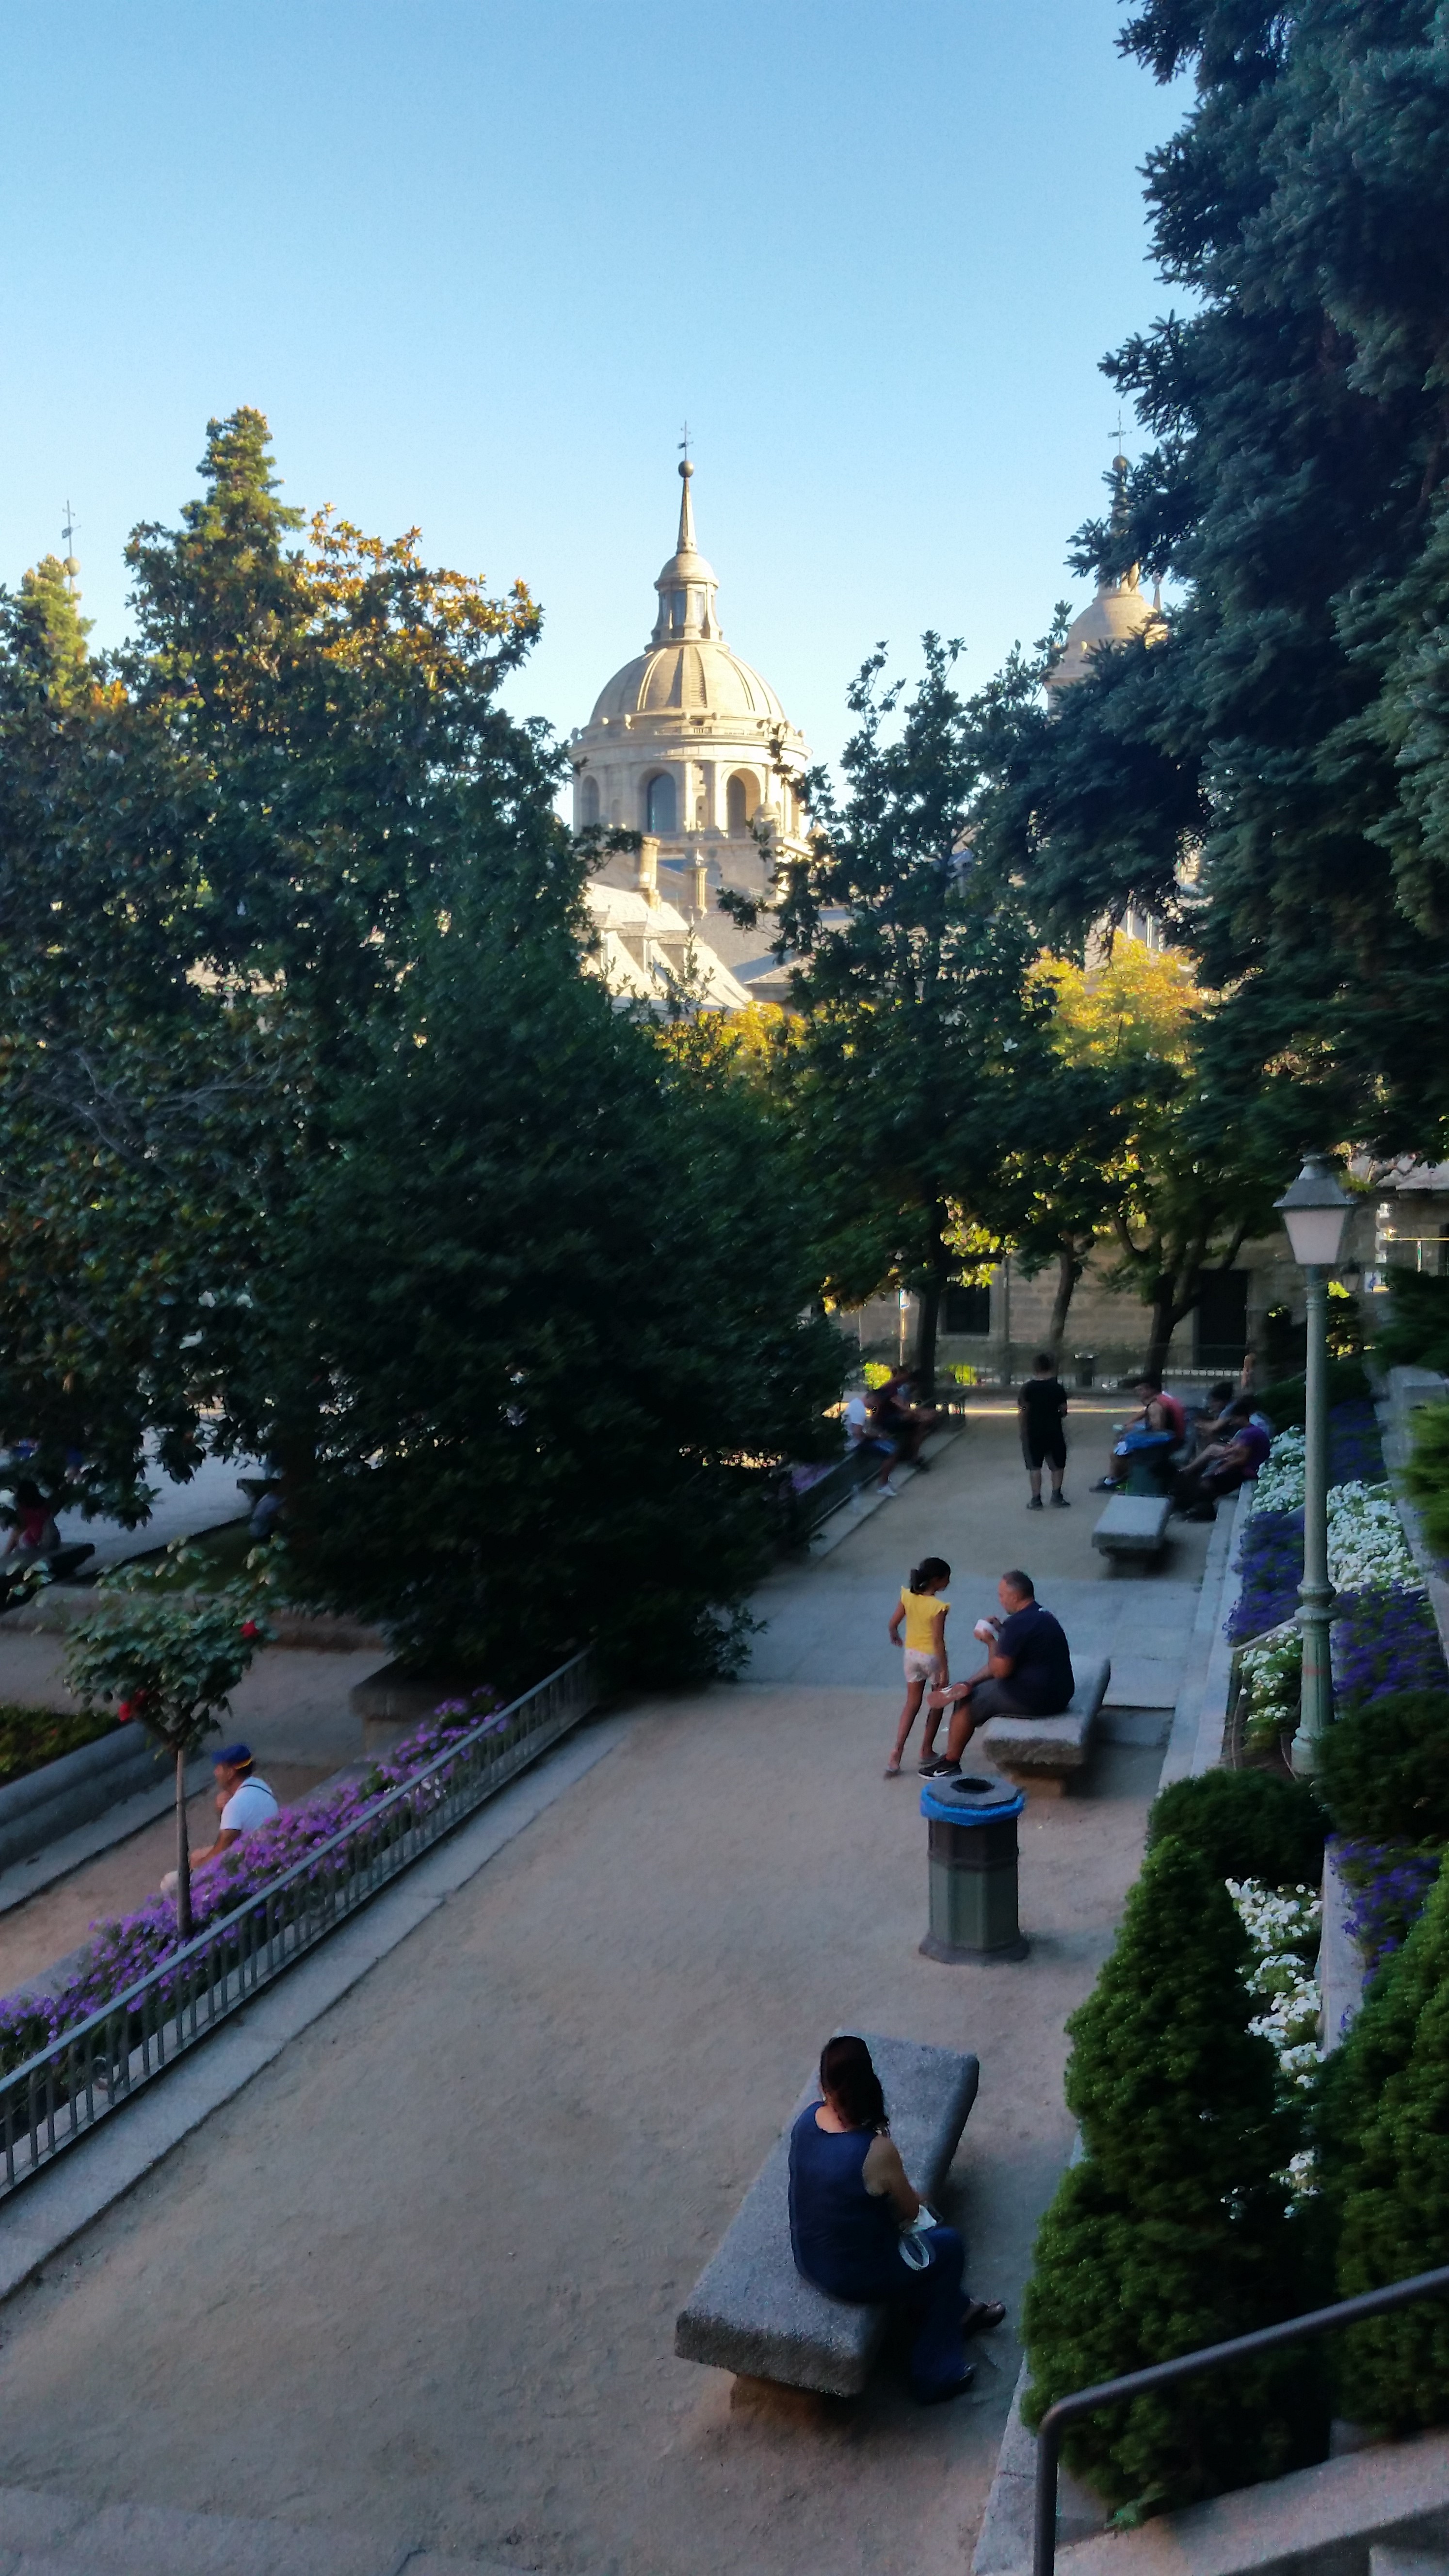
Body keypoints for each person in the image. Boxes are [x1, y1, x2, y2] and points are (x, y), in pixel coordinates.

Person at [788, 2033, 1005, 2406]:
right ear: (869, 2085)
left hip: (809, 2257)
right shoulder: (876, 2150)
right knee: (948, 2247)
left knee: (923, 2253)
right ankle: (934, 2372)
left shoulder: (807, 2120)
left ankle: (959, 2309)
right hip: (853, 2276)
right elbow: (912, 2211)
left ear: (824, 2086)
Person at [927, 1570, 1074, 1770]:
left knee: (968, 1701)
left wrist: (990, 1642)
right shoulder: (1042, 1615)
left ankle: (950, 1763)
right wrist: (1002, 1630)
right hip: (1061, 1692)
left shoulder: (1017, 1624)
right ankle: (968, 1684)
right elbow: (1019, 1644)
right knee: (977, 1685)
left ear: (1015, 1597)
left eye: (1002, 1595)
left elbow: (1000, 1672)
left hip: (1039, 1700)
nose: (1000, 1600)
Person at [160, 1744, 279, 1896]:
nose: (215, 1772)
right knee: (197, 1855)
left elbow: (220, 1853)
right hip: (265, 1847)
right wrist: (222, 1811)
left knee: (169, 1882)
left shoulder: (235, 1806)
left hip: (253, 1866)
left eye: (219, 1768)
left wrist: (197, 1866)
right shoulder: (260, 1785)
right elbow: (234, 1831)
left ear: (230, 1773)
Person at [886, 1558, 951, 1778]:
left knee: (912, 1703)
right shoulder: (938, 1607)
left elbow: (893, 1623)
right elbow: (938, 1641)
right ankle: (926, 1749)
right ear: (937, 1580)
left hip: (911, 1655)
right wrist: (944, 1670)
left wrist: (894, 1634)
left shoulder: (907, 1596)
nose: (949, 1582)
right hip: (931, 1658)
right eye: (947, 1578)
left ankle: (897, 1752)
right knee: (938, 1702)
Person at [1173, 1398, 1271, 1518]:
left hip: (1248, 1471)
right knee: (1208, 1477)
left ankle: (1204, 1510)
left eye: (1234, 1419)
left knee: (1207, 1484)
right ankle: (1199, 1506)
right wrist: (1220, 1457)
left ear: (1242, 1417)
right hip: (1245, 1467)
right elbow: (1236, 1449)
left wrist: (1224, 1467)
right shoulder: (1249, 1431)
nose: (1232, 1423)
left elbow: (1242, 1459)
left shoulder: (1251, 1433)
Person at [1092, 1375, 1186, 1491]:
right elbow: (1145, 1414)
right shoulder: (1162, 1400)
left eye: (1140, 1390)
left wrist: (1135, 1430)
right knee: (1124, 1444)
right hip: (1177, 1439)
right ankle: (1120, 1477)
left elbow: (1158, 1432)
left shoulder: (1156, 1407)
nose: (1138, 1394)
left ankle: (1113, 1481)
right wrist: (1127, 1426)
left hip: (1169, 1445)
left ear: (1150, 1390)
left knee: (1117, 1453)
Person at [1017, 1352, 1069, 1509]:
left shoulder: (1028, 1388)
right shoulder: (1057, 1388)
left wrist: (1023, 1430)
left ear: (1035, 1368)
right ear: (1051, 1367)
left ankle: (1036, 1499)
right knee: (1058, 1464)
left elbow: (1023, 1411)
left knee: (1035, 1466)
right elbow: (1064, 1410)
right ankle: (1057, 1495)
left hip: (1033, 1431)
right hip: (1054, 1430)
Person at [869, 1368, 937, 1472]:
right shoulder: (890, 1387)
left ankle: (913, 1456)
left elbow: (906, 1406)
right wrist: (921, 1414)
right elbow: (902, 1406)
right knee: (917, 1420)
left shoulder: (899, 1387)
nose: (907, 1377)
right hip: (886, 1420)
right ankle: (912, 1456)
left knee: (919, 1425)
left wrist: (922, 1413)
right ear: (900, 1374)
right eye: (905, 1374)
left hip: (894, 1418)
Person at [842, 1385, 900, 1497]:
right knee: (892, 1451)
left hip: (858, 1439)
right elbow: (858, 1433)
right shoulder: (859, 1410)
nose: (876, 1406)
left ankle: (885, 1480)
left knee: (891, 1444)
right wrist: (877, 1436)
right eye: (877, 1403)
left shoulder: (857, 1403)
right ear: (874, 1399)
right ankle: (883, 1485)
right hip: (856, 1443)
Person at [1, 1479, 61, 1563]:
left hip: (34, 1542)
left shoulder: (24, 1511)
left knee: (17, 1534)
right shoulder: (44, 1506)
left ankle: (7, 1558)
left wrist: (6, 1555)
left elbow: (18, 1531)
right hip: (51, 1540)